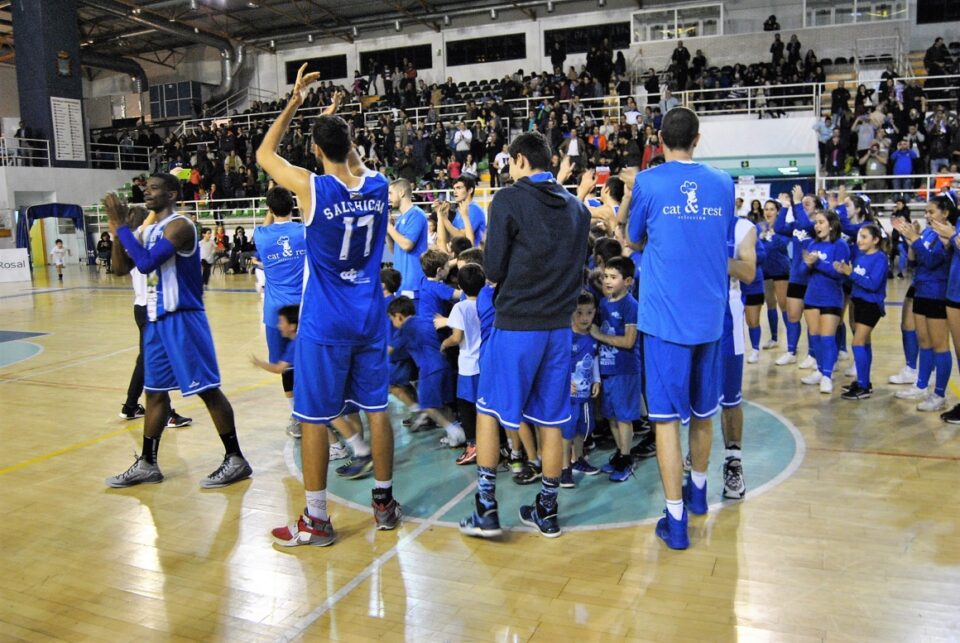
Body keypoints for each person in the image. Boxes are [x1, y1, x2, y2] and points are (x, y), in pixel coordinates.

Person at [256, 66, 400, 547]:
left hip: (325, 320)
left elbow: (263, 154)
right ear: (352, 144)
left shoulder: (311, 188)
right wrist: (339, 132)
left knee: (314, 416)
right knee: (378, 410)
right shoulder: (378, 186)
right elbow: (354, 163)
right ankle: (384, 503)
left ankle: (316, 519)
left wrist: (296, 102)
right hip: (369, 315)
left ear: (316, 151)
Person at [459, 131, 590, 539]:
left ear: (518, 160)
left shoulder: (509, 199)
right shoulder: (577, 209)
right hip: (557, 329)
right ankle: (546, 512)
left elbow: (493, 270)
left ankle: (485, 509)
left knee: (489, 411)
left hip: (517, 325)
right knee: (552, 421)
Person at [625, 106, 735, 550]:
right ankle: (700, 494)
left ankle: (675, 521)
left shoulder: (648, 182)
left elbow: (633, 239)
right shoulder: (724, 183)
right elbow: (719, 234)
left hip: (666, 317)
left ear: (658, 137)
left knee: (667, 421)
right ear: (698, 138)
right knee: (704, 412)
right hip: (709, 316)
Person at [103, 175, 251, 489]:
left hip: (183, 318)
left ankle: (235, 458)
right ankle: (147, 463)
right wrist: (118, 233)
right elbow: (120, 268)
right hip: (156, 320)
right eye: (146, 188)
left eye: (154, 187)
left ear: (172, 194)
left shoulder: (181, 226)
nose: (147, 191)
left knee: (206, 389)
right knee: (155, 393)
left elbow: (145, 263)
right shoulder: (147, 229)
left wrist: (123, 227)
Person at [112, 205, 192, 430]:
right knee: (157, 361)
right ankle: (166, 413)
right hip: (150, 307)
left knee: (146, 360)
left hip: (141, 307)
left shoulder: (131, 243)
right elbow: (148, 224)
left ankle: (130, 406)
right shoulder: (141, 240)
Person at [252, 186, 307, 438]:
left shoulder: (261, 236)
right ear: (292, 207)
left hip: (276, 314)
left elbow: (264, 227)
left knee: (285, 367)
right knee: (308, 362)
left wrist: (270, 212)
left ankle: (296, 417)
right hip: (304, 309)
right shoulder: (303, 232)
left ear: (270, 209)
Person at [892, 198, 956, 412]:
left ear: (945, 213)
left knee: (940, 345)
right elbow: (915, 259)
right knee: (924, 341)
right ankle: (921, 384)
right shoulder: (928, 232)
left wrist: (915, 239)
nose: (927, 215)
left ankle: (939, 394)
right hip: (921, 289)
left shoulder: (948, 233)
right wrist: (909, 239)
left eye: (931, 211)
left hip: (937, 293)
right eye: (926, 211)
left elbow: (932, 260)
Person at [715, 211, 758, 501]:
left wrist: (709, 256)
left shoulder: (743, 227)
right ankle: (697, 450)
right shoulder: (689, 221)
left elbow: (748, 272)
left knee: (731, 399)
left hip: (727, 317)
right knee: (697, 395)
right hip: (692, 314)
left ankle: (733, 461)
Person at [388, 296, 465, 447]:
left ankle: (454, 431)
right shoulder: (426, 319)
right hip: (444, 364)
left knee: (427, 405)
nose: (392, 323)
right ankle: (454, 434)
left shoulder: (405, 329)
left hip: (429, 370)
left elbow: (389, 350)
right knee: (443, 404)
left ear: (399, 316)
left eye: (392, 319)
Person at [591, 256, 641, 482]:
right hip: (607, 369)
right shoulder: (603, 303)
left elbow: (629, 342)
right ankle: (620, 454)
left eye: (613, 277)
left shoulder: (631, 306)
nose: (607, 281)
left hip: (624, 369)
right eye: (605, 277)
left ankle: (627, 457)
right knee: (611, 416)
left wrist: (599, 335)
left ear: (628, 281)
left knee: (623, 417)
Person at [435, 262, 487, 463]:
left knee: (466, 407)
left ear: (461, 287)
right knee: (486, 408)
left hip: (468, 365)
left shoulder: (461, 307)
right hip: (486, 364)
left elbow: (457, 337)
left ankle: (473, 446)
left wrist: (445, 344)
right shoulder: (488, 304)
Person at [799, 209, 850, 395]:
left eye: (821, 222)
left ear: (831, 225)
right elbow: (801, 272)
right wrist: (807, 264)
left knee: (827, 337)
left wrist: (818, 263)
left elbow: (839, 272)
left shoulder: (840, 245)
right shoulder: (812, 244)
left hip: (832, 297)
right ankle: (820, 370)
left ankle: (827, 376)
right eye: (816, 222)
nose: (817, 226)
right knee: (815, 337)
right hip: (812, 296)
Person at [836, 224, 888, 400]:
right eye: (859, 236)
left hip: (871, 305)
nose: (860, 240)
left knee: (857, 343)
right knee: (864, 343)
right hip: (858, 302)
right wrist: (843, 272)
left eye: (864, 237)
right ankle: (863, 382)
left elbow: (873, 284)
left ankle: (864, 386)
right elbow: (856, 280)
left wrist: (851, 274)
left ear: (875, 240)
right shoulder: (860, 256)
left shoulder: (880, 258)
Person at [560, 292, 601, 488]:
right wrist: (564, 382)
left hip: (585, 396)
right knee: (566, 432)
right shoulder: (567, 337)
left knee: (581, 429)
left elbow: (593, 360)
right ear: (571, 313)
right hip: (568, 397)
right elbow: (557, 365)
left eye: (589, 313)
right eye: (579, 313)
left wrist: (596, 380)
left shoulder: (593, 336)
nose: (585, 318)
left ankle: (578, 459)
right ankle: (564, 468)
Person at [387, 179, 429, 299]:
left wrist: (389, 227)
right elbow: (394, 250)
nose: (388, 197)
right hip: (401, 285)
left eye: (390, 193)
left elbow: (407, 245)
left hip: (414, 285)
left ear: (401, 193)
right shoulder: (400, 218)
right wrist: (387, 232)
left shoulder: (416, 214)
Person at [759, 199, 790, 350]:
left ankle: (791, 341)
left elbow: (783, 245)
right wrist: (760, 237)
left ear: (778, 211)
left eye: (771, 209)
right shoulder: (759, 227)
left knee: (783, 304)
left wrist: (772, 235)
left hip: (780, 269)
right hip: (765, 269)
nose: (768, 212)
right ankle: (774, 338)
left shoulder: (782, 227)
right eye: (766, 209)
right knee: (770, 303)